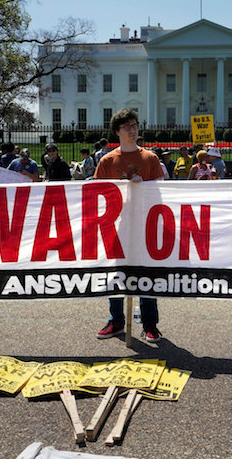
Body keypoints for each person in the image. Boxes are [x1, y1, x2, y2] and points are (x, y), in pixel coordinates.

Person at [95, 108, 164, 343]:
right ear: (117, 131)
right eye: (127, 127)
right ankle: (116, 320)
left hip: (145, 225)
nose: (132, 130)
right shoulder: (107, 161)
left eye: (134, 126)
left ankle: (150, 324)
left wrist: (142, 186)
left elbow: (161, 195)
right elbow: (98, 195)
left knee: (146, 275)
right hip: (118, 227)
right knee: (116, 275)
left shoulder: (150, 159)